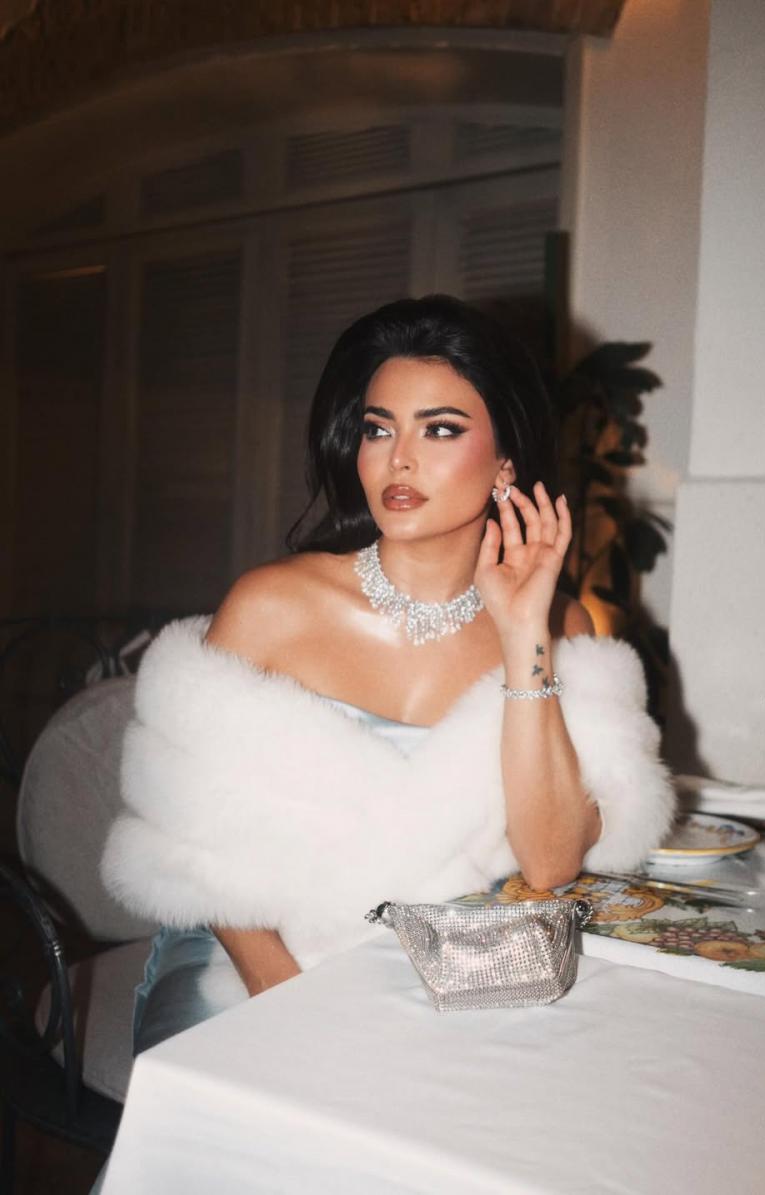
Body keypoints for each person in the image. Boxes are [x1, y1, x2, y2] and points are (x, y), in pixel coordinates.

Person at [102, 294, 674, 1057]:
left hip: (437, 972)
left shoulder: (561, 627)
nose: (398, 459)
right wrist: (293, 1006)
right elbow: (190, 847)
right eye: (379, 428)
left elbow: (549, 861)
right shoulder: (272, 607)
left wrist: (522, 635)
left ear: (505, 461)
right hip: (251, 965)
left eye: (439, 428)